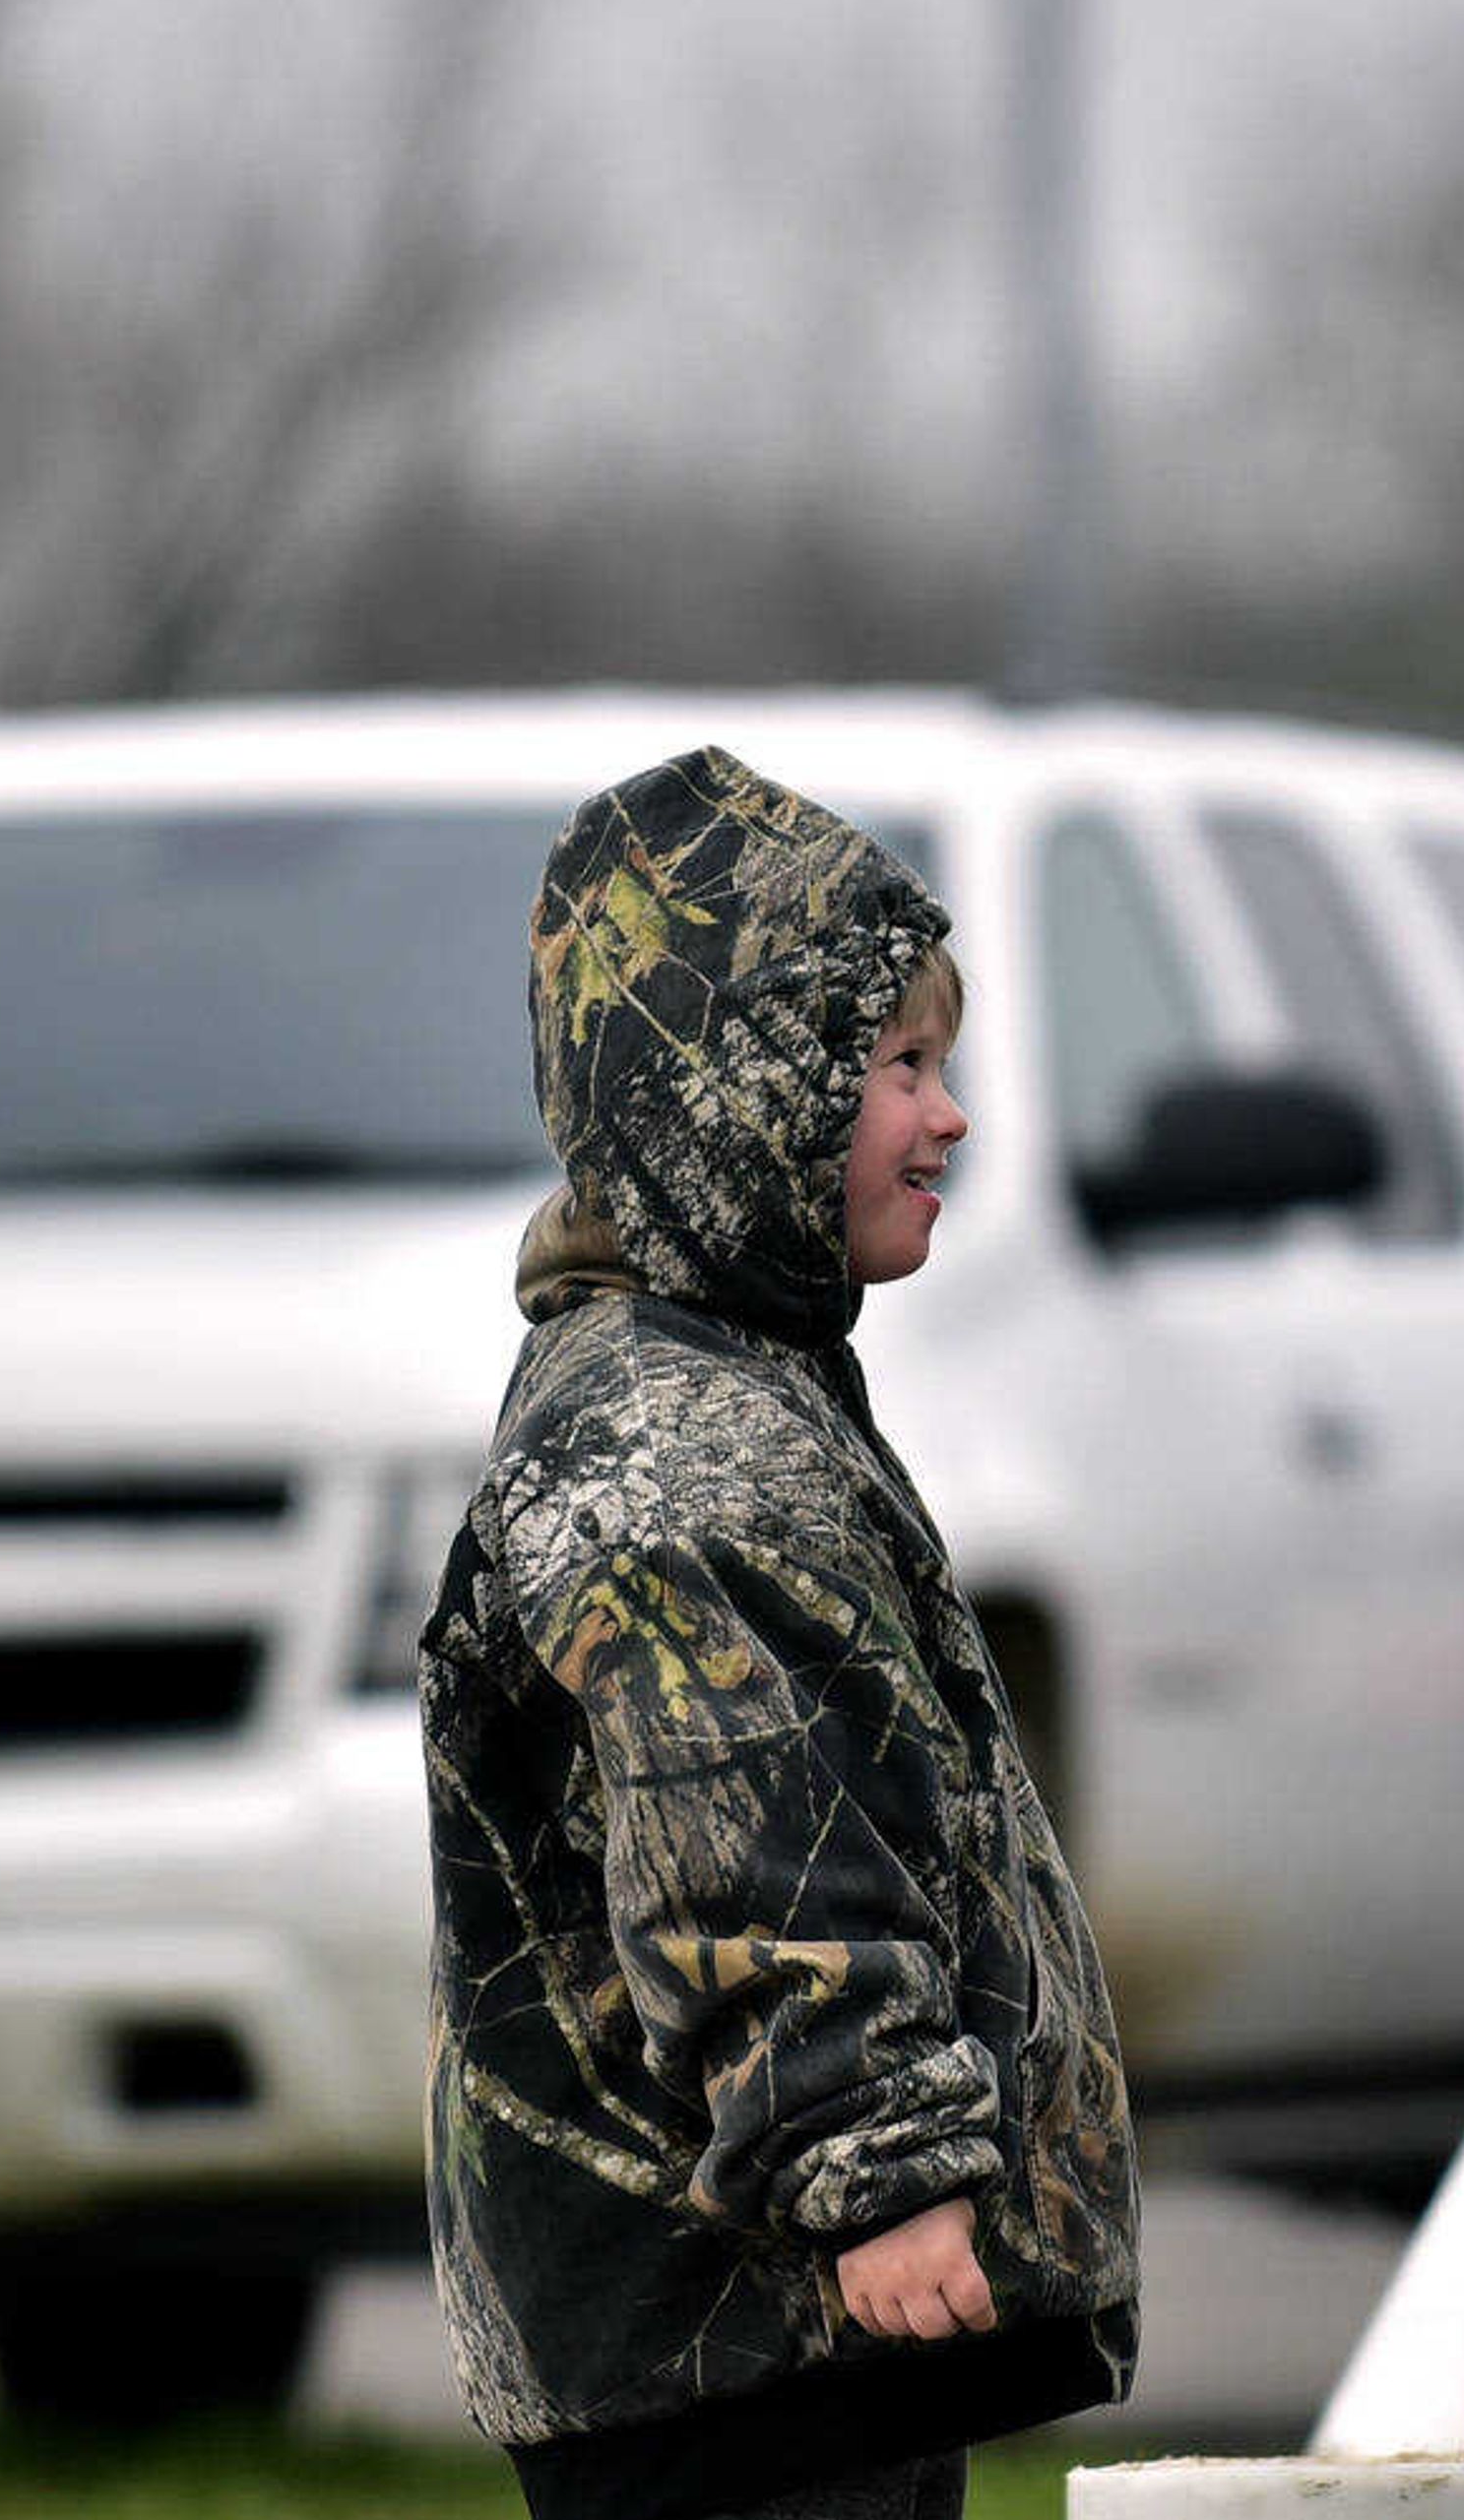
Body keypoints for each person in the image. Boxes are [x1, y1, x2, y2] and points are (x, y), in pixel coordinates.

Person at [420, 747, 1137, 2520]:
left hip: (777, 2329)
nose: (948, 1111)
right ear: (740, 1098)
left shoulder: (738, 1385)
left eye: (940, 1059)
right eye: (895, 1062)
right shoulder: (679, 1456)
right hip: (737, 2330)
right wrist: (876, 2157)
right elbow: (748, 1837)